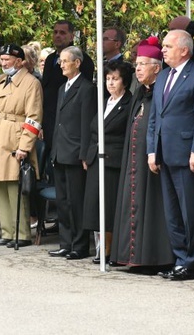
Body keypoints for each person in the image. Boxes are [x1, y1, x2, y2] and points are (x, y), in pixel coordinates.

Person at [147, 29, 194, 281]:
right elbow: (155, 117)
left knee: (190, 212)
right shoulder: (163, 76)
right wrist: (152, 151)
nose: (162, 50)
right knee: (172, 212)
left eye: (167, 46)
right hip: (163, 152)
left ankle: (193, 263)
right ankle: (179, 258)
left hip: (186, 154)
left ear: (184, 49)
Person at [111, 37, 174, 270]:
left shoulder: (161, 91)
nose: (137, 68)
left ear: (156, 68)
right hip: (134, 162)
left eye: (143, 64)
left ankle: (153, 258)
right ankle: (130, 256)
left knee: (153, 207)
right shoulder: (140, 92)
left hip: (152, 161)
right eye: (136, 64)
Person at [0, 44, 43, 248]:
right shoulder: (1, 79)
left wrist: (25, 146)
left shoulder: (30, 83)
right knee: (0, 184)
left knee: (15, 185)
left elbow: (34, 117)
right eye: (1, 60)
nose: (3, 64)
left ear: (19, 61)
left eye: (7, 61)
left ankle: (21, 233)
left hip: (15, 135)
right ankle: (7, 231)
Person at [83, 60, 133, 264]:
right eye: (108, 79)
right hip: (96, 158)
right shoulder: (104, 100)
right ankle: (100, 248)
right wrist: (88, 155)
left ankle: (111, 250)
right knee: (95, 206)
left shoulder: (128, 103)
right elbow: (94, 130)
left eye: (115, 79)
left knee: (110, 206)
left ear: (125, 81)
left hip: (114, 160)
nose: (110, 83)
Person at [49, 46, 96, 260]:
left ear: (77, 63)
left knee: (76, 202)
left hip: (76, 152)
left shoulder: (86, 88)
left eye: (65, 60)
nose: (61, 64)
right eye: (60, 60)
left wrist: (85, 154)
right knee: (63, 201)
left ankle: (79, 245)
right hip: (60, 151)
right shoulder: (62, 88)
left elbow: (87, 124)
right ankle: (65, 242)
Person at [41, 20, 95, 169]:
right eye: (55, 32)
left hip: (71, 130)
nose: (58, 35)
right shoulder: (51, 59)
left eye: (62, 32)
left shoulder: (84, 61)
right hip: (50, 121)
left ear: (71, 36)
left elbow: (83, 96)